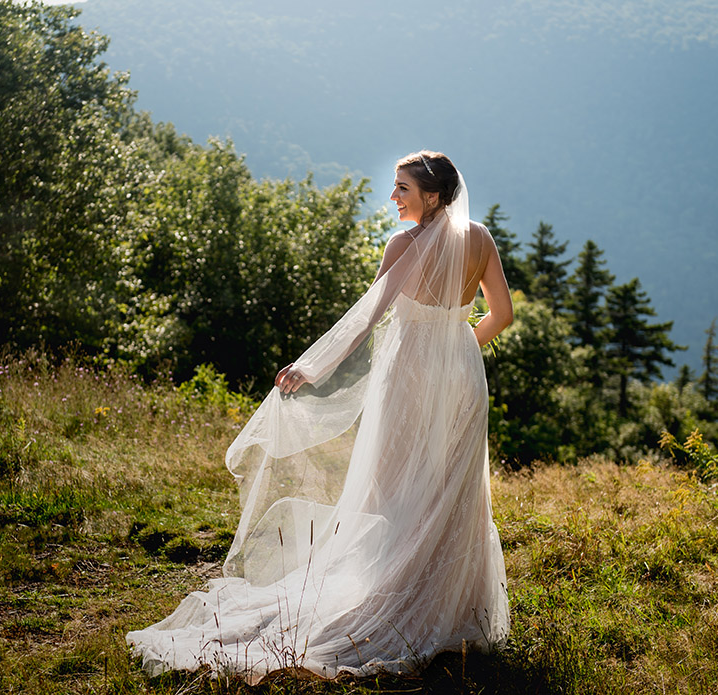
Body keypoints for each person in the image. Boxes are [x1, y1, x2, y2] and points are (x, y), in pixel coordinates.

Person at [127, 151, 512, 683]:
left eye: (402, 188)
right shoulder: (481, 238)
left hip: (410, 379)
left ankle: (393, 600)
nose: (393, 198)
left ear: (432, 195)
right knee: (452, 492)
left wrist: (311, 368)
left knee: (393, 491)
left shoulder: (403, 245)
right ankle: (450, 609)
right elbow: (503, 314)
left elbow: (365, 320)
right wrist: (461, 344)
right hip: (464, 379)